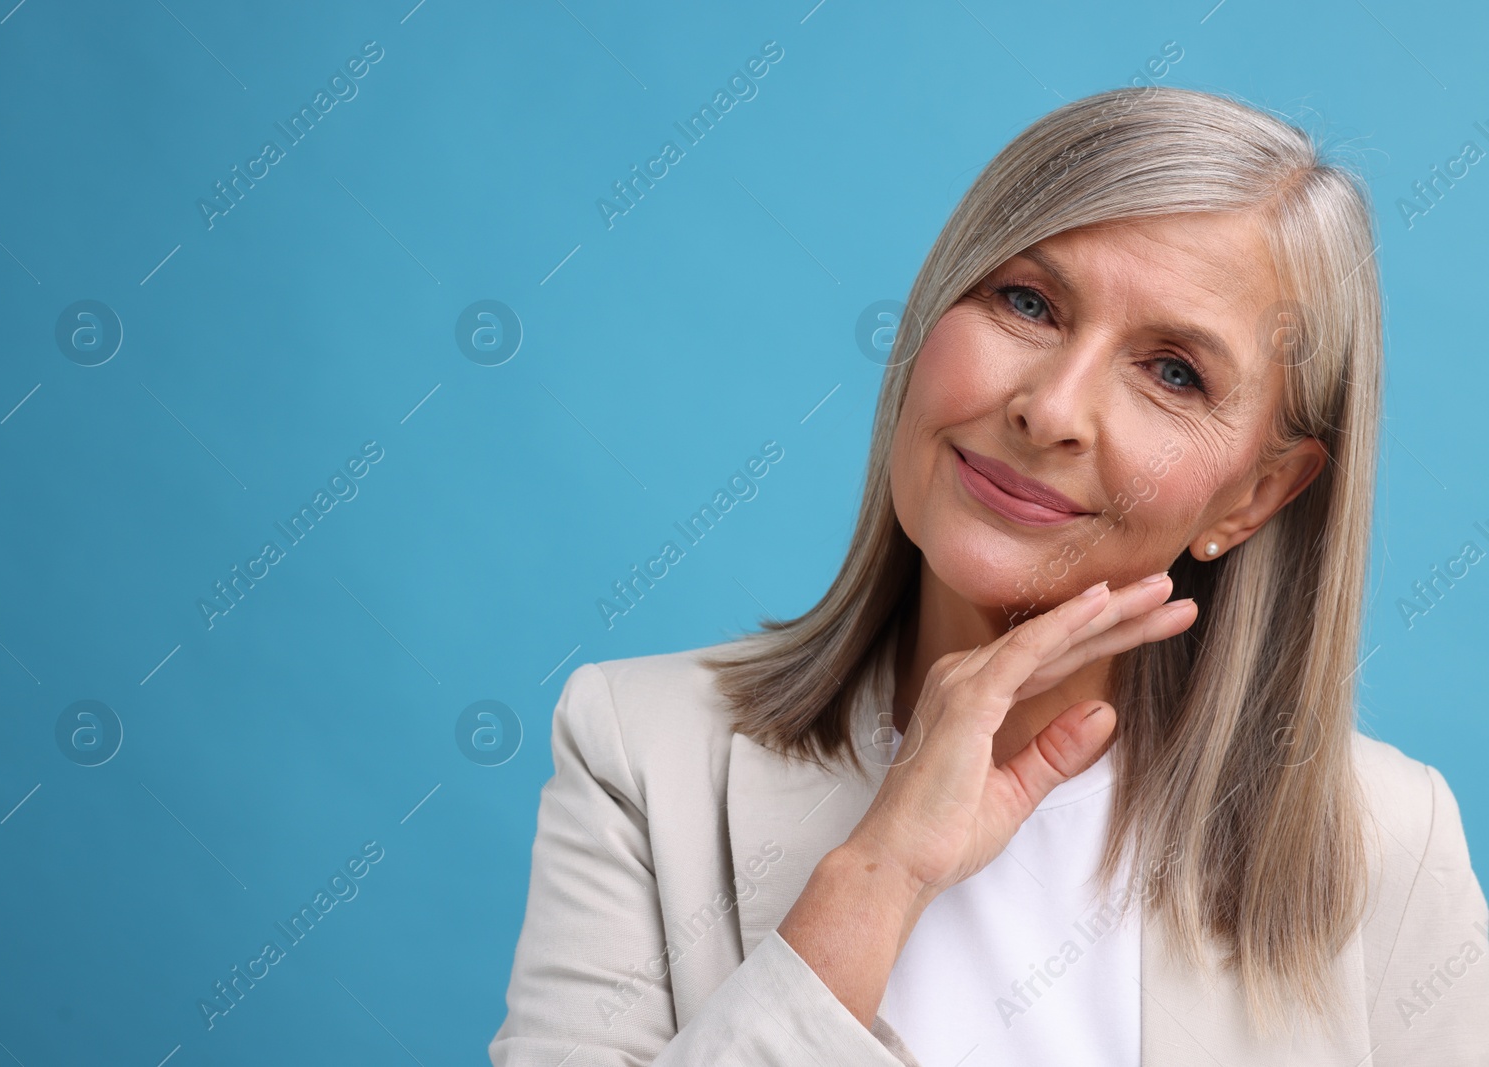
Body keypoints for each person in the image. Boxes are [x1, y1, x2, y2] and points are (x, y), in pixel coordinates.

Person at [489, 85, 1489, 1065]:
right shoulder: (641, 748)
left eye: (1173, 370)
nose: (1050, 407)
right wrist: (875, 878)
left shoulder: (1390, 845)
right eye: (1027, 302)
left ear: (1254, 497)